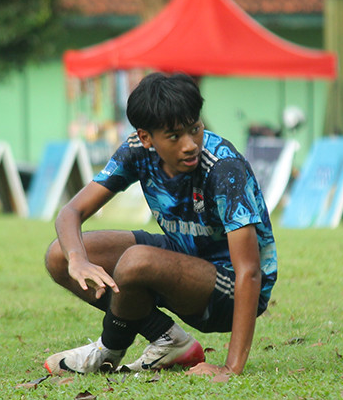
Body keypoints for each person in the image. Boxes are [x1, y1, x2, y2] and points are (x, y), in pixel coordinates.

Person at [44, 72, 277, 377]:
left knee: (135, 261)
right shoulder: (136, 152)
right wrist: (78, 261)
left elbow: (249, 271)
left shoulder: (223, 169)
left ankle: (107, 349)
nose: (190, 144)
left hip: (232, 288)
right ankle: (169, 340)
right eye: (174, 136)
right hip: (181, 255)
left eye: (195, 129)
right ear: (145, 137)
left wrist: (231, 368)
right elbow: (71, 212)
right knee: (59, 255)